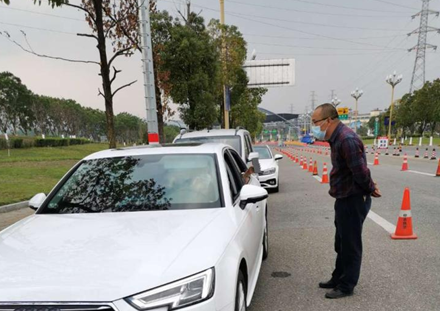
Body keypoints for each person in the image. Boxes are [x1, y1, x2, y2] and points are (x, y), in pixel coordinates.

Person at [311, 103, 381, 299]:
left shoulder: (347, 139)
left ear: (329, 120)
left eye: (315, 122)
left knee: (350, 245)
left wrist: (370, 188)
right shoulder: (336, 139)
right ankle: (338, 277)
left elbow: (360, 171)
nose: (314, 127)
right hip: (343, 198)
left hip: (353, 199)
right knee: (340, 242)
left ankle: (346, 285)